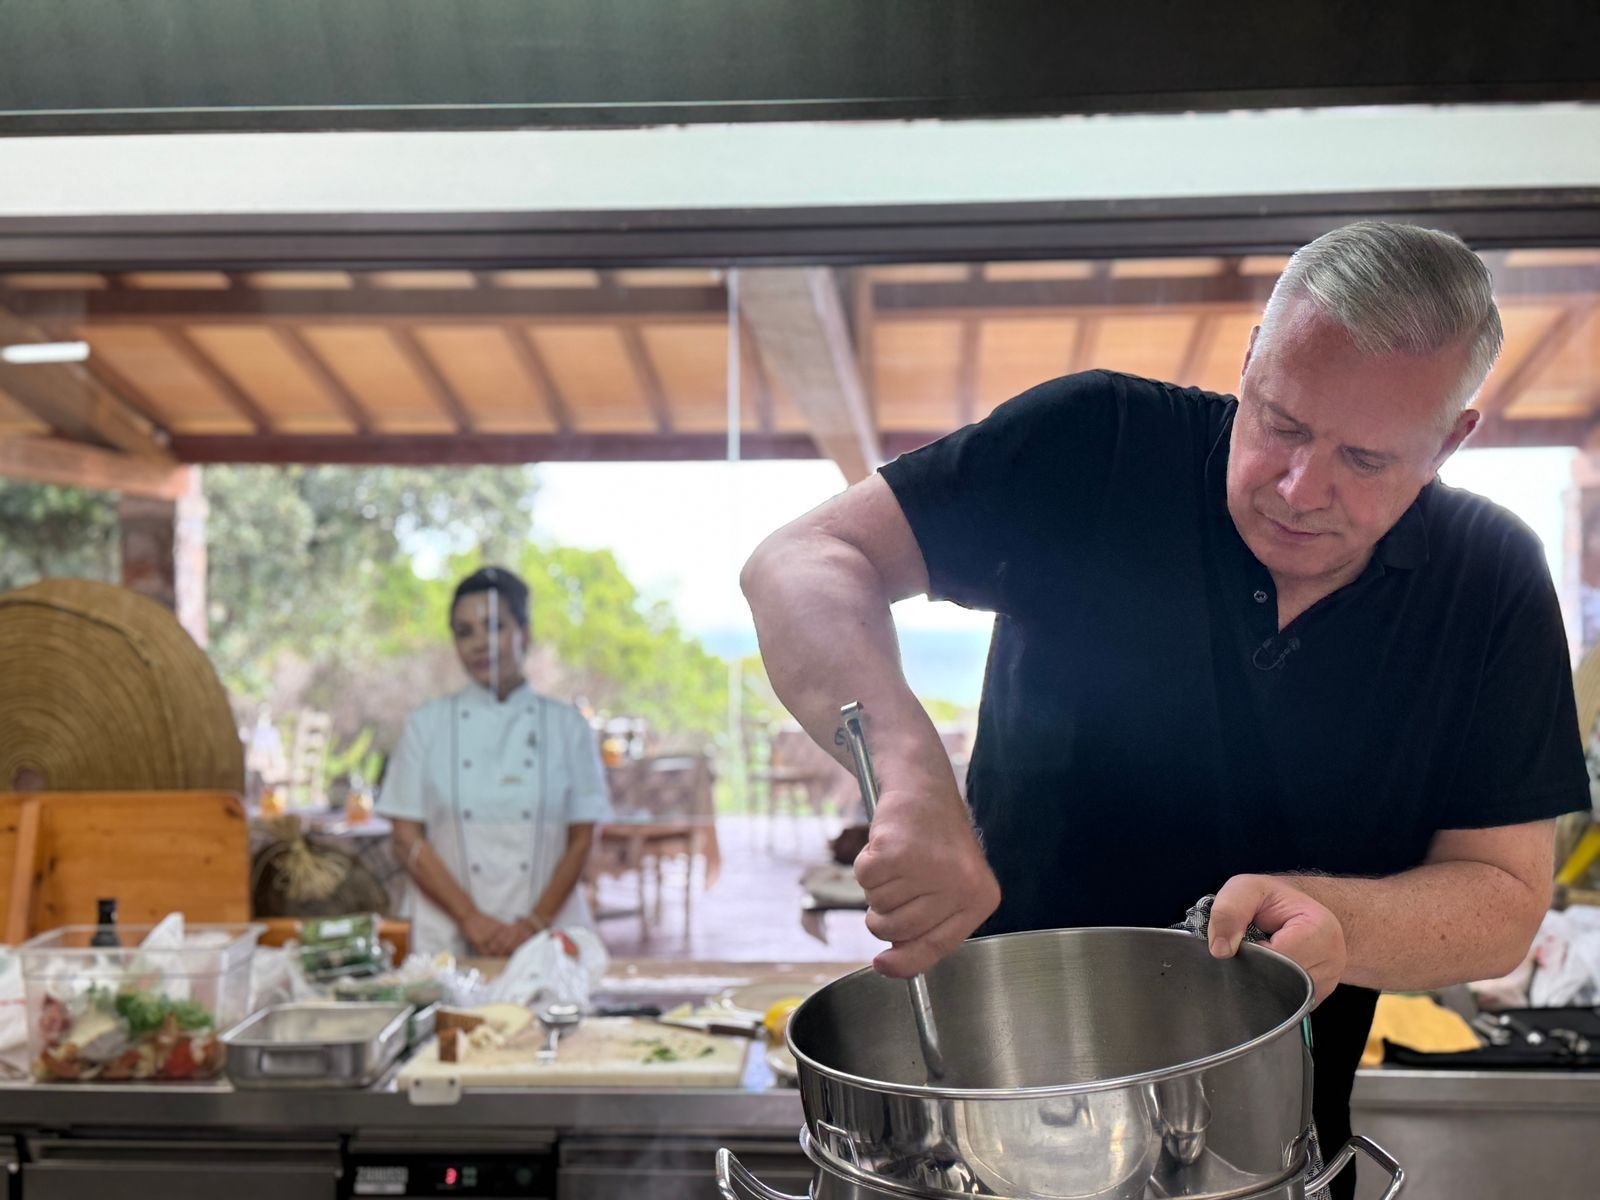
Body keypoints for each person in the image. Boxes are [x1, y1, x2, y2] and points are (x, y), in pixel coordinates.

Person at [741, 222, 1589, 1197]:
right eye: (1280, 422)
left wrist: (1341, 920)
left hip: (1267, 1163)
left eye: (1364, 460)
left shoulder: (1490, 580)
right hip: (988, 1148)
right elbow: (801, 562)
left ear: (1450, 440)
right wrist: (906, 770)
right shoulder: (1093, 446)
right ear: (1250, 363)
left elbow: (1501, 901)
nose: (1299, 489)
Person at [378, 566, 611, 958]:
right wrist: (472, 919)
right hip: (448, 939)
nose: (478, 644)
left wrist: (533, 924)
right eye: (464, 632)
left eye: (494, 626)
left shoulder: (568, 726)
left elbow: (582, 840)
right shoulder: (426, 724)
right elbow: (405, 839)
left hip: (549, 939)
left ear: (525, 632)